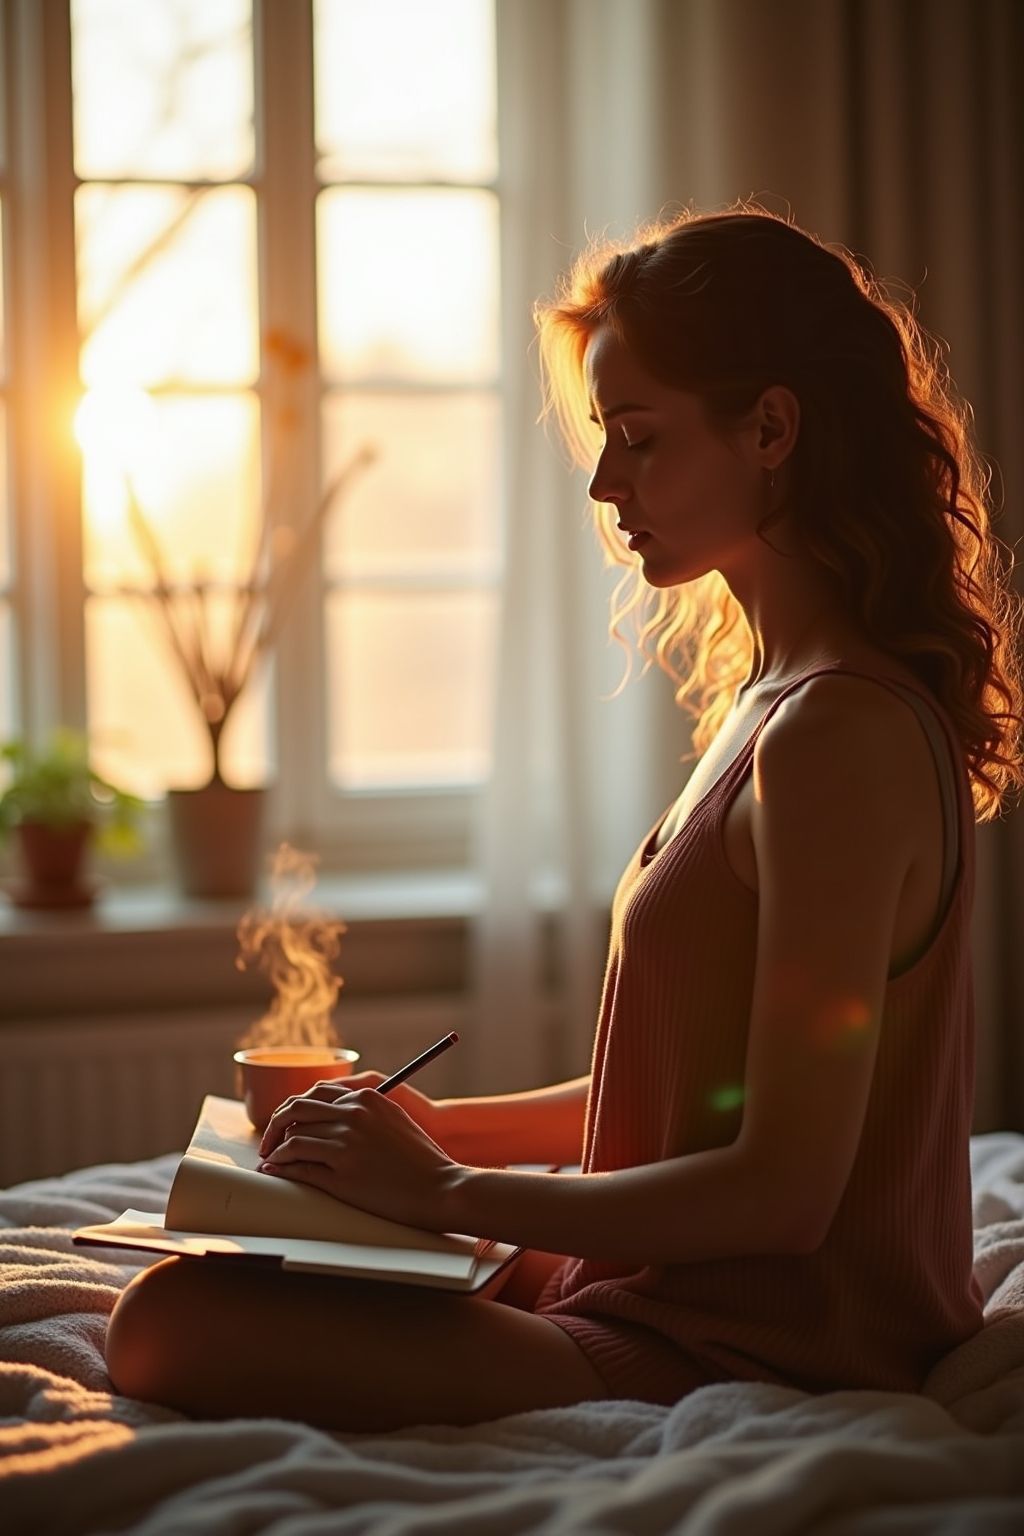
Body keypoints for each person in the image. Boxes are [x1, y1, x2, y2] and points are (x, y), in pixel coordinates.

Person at [105, 204, 1024, 1432]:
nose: (603, 483)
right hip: (674, 1291)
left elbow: (785, 1191)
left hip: (763, 1342)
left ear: (770, 429)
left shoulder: (837, 736)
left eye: (638, 438)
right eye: (604, 439)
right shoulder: (771, 704)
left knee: (167, 1323)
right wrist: (434, 1132)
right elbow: (685, 1094)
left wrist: (445, 1191)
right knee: (245, 1266)